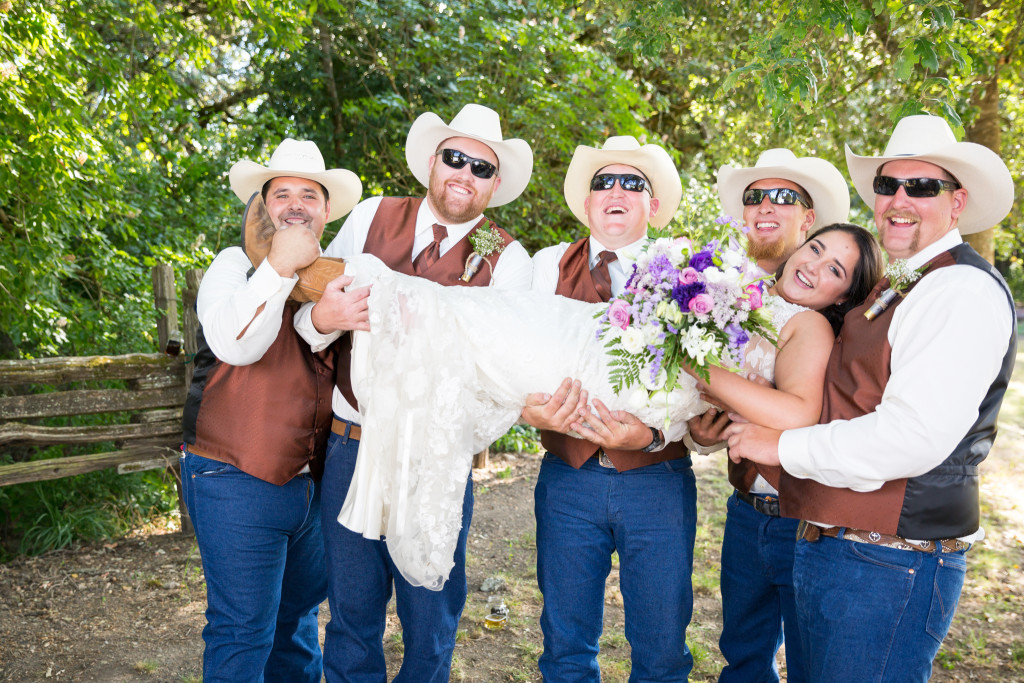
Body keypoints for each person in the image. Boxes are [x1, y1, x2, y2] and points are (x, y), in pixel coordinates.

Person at [724, 114, 1018, 681]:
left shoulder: (961, 288)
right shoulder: (905, 284)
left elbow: (910, 437)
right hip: (836, 547)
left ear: (957, 203)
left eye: (922, 186)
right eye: (888, 185)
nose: (900, 198)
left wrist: (783, 446)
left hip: (892, 562)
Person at [293, 103, 535, 683]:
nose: (464, 174)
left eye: (481, 167)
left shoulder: (510, 261)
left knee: (431, 621)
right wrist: (325, 319)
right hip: (353, 443)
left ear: (495, 184)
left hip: (436, 458)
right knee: (351, 616)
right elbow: (311, 320)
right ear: (433, 160)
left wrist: (447, 438)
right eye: (455, 158)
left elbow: (502, 381)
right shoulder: (372, 216)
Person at [180, 138, 362, 682]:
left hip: (310, 485)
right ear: (263, 206)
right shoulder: (231, 266)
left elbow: (326, 349)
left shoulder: (335, 275)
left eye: (310, 194)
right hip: (234, 474)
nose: (296, 204)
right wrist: (280, 265)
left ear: (327, 210)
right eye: (282, 194)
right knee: (242, 629)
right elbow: (237, 345)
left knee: (298, 625)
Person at [521, 135, 699, 682]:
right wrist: (529, 412)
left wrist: (647, 437)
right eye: (603, 181)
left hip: (657, 480)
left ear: (654, 205)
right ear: (588, 201)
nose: (615, 190)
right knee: (566, 647)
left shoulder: (688, 273)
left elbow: (702, 380)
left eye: (632, 182)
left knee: (662, 648)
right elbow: (512, 357)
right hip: (568, 480)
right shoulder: (546, 266)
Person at [701, 149, 852, 683]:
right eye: (756, 196)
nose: (767, 205)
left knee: (808, 663)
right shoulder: (730, 293)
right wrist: (703, 430)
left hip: (802, 514)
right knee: (742, 655)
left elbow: (797, 410)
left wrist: (701, 373)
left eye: (784, 196)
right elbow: (719, 412)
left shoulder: (815, 323)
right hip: (745, 508)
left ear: (807, 217)